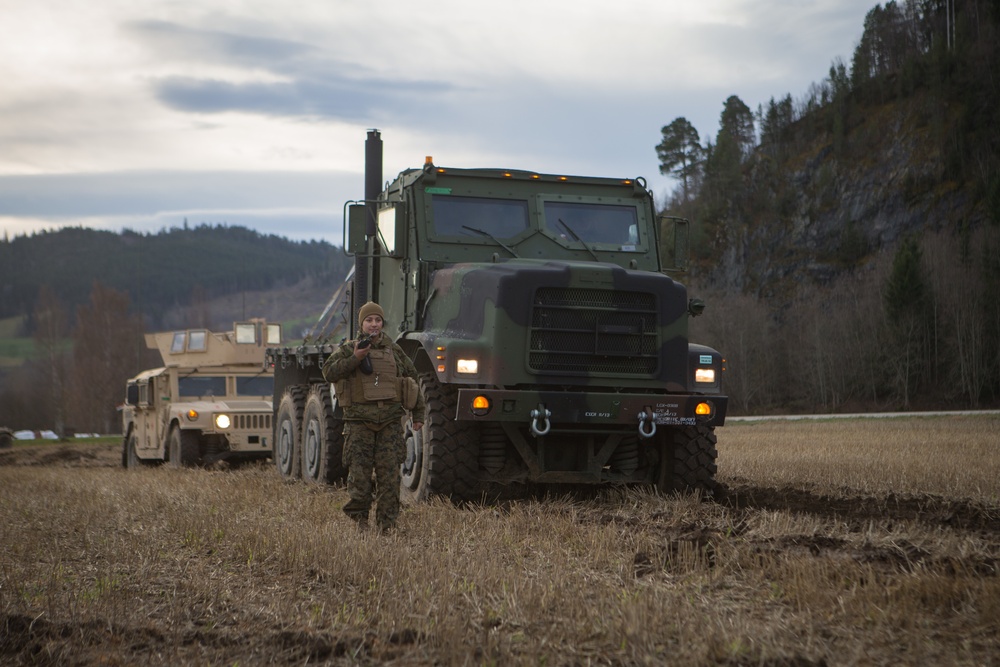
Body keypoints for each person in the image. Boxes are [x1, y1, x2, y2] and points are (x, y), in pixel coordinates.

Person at [322, 302, 425, 532]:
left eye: (377, 320)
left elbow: (412, 380)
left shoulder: (394, 350)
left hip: (389, 422)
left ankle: (387, 525)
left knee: (389, 478)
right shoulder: (350, 348)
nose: (374, 325)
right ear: (362, 324)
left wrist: (418, 414)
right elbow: (329, 372)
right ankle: (360, 521)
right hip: (359, 423)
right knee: (359, 476)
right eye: (369, 321)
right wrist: (356, 358)